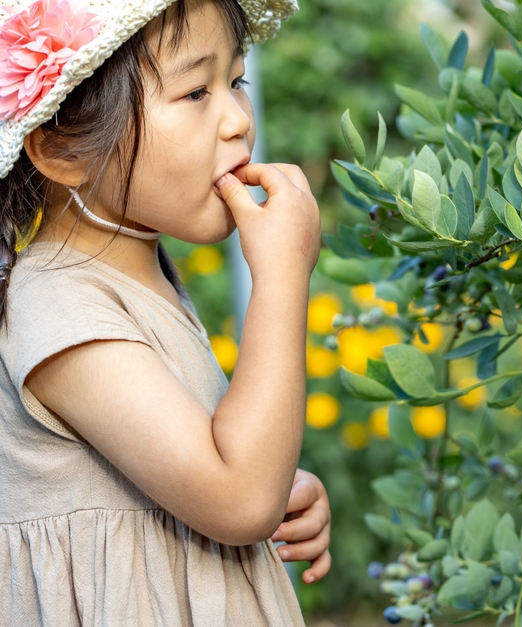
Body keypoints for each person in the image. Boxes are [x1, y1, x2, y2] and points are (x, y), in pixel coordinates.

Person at [0, 0, 330, 624]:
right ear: (63, 149)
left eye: (236, 81)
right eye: (195, 92)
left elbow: (215, 478)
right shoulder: (57, 304)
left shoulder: (139, 277)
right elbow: (238, 499)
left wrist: (276, 481)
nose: (237, 120)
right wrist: (284, 276)